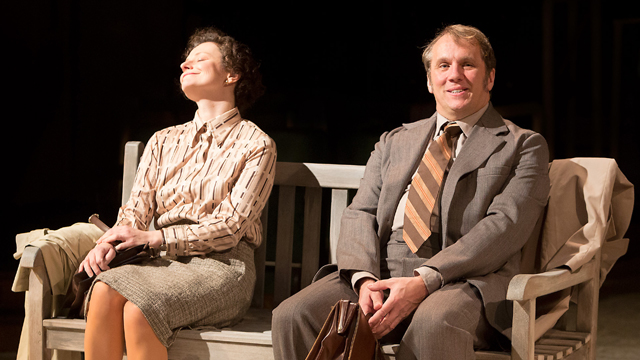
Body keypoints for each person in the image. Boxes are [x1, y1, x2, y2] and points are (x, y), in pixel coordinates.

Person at [272, 24, 550, 359]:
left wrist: (425, 281)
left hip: (463, 280)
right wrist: (364, 280)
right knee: (293, 315)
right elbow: (361, 212)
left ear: (489, 78)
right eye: (444, 66)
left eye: (468, 65)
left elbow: (504, 226)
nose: (455, 75)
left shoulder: (523, 145)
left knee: (435, 321)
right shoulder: (394, 141)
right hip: (380, 273)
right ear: (430, 81)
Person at [78, 27, 276, 360]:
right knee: (103, 290)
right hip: (159, 264)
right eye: (185, 60)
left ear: (231, 75)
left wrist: (156, 238)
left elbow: (230, 227)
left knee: (141, 309)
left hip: (223, 267)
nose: (186, 64)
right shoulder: (162, 140)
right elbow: (135, 211)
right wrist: (109, 243)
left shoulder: (256, 144)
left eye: (200, 58)